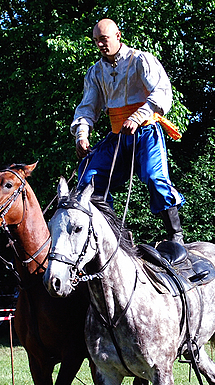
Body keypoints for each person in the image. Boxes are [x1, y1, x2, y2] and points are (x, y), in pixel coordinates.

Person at [71, 18, 185, 244]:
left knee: (155, 178)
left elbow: (162, 93)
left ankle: (176, 236)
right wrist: (82, 135)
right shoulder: (95, 72)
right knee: (88, 177)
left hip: (146, 133)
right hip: (117, 138)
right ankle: (117, 235)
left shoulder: (140, 60)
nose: (100, 45)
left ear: (118, 36)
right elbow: (87, 107)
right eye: (96, 41)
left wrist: (138, 116)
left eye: (103, 39)